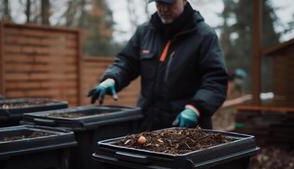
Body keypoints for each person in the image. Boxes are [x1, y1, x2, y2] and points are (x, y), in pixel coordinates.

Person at [88, 0, 228, 131]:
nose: (163, 8)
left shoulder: (204, 36)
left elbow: (216, 80)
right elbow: (127, 61)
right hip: (147, 125)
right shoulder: (145, 31)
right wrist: (112, 78)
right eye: (159, 3)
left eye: (169, 3)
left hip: (186, 130)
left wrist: (196, 108)